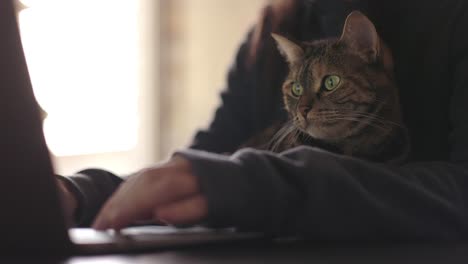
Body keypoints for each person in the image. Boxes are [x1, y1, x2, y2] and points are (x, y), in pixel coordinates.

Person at [58, 0, 468, 241]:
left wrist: (266, 184)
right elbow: (203, 168)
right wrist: (85, 193)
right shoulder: (271, 30)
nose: (306, 107)